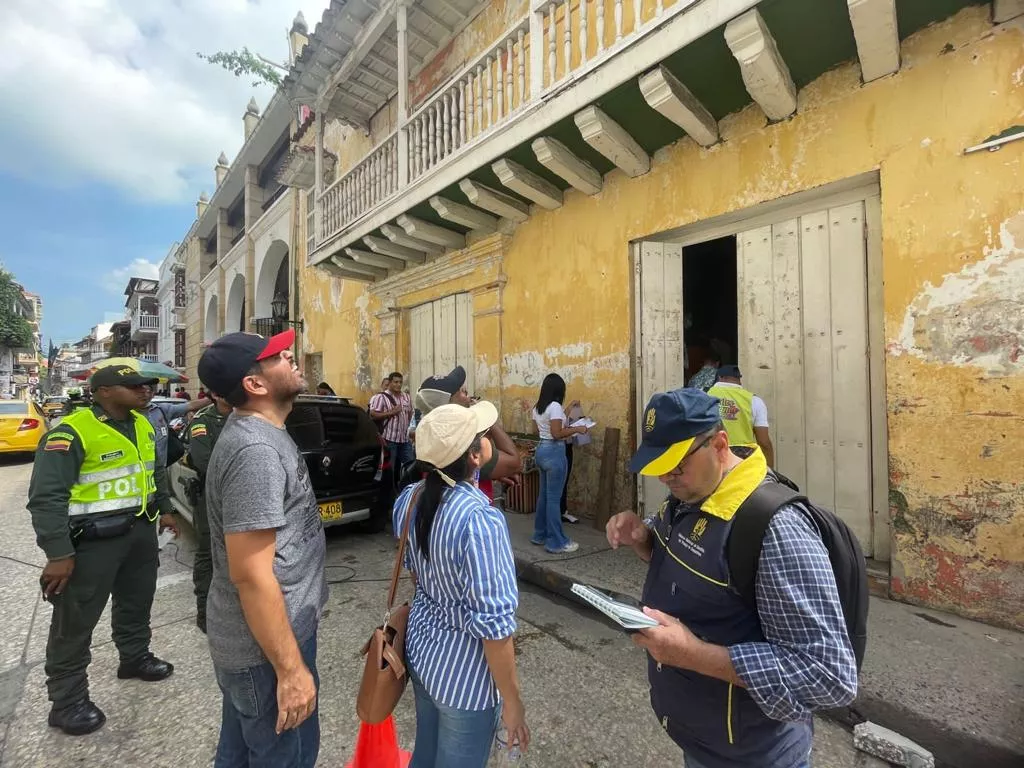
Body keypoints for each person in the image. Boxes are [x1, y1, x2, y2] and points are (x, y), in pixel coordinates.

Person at [605, 388, 857, 768]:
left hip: (753, 756)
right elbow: (697, 565)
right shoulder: (691, 495)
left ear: (720, 444)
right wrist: (644, 538)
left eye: (676, 465)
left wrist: (694, 655)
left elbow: (829, 674)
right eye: (659, 466)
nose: (666, 478)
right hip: (704, 739)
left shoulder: (777, 529)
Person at [27, 362, 178, 736]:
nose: (146, 391)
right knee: (74, 622)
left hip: (139, 533)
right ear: (104, 391)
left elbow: (153, 471)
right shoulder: (72, 432)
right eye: (136, 386)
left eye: (149, 385)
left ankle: (134, 657)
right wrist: (58, 554)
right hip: (91, 543)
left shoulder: (143, 424)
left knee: (136, 602)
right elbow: (47, 498)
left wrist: (167, 509)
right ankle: (67, 700)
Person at [198, 328, 326, 766]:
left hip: (265, 643)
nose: (290, 354)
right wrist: (290, 671)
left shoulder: (265, 432)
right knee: (287, 756)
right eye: (277, 355)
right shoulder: (255, 449)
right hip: (266, 653)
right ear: (254, 384)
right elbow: (251, 575)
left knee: (237, 754)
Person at [394, 402, 528, 768]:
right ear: (474, 456)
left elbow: (416, 572)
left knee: (425, 755)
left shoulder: (410, 500)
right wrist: (512, 702)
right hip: (465, 679)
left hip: (422, 652)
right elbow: (495, 628)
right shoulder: (480, 520)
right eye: (482, 437)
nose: (488, 441)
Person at [414, 365, 522, 500]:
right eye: (463, 392)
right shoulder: (466, 444)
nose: (469, 397)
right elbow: (515, 462)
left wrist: (495, 472)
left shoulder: (431, 438)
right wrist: (486, 417)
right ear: (450, 404)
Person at [183, 390, 232, 634]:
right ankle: (205, 611)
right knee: (209, 553)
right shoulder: (203, 422)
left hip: (242, 497)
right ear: (215, 393)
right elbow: (206, 462)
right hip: (212, 497)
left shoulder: (245, 417)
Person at [530, 373, 588, 554]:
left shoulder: (538, 407)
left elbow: (540, 429)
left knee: (544, 496)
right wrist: (577, 428)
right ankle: (556, 541)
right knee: (554, 499)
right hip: (554, 452)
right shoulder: (555, 406)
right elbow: (557, 433)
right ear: (558, 390)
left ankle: (539, 534)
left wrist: (569, 408)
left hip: (541, 450)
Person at [708, 364, 775, 468]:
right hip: (742, 463)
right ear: (739, 380)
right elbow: (764, 442)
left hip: (712, 460)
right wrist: (770, 470)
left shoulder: (704, 396)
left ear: (720, 378)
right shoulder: (754, 401)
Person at [142, 385, 208, 471]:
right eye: (137, 389)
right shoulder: (126, 415)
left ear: (152, 394)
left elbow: (190, 406)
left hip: (160, 472)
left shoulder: (160, 409)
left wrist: (211, 399)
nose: (142, 394)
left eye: (147, 391)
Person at [370, 371, 414, 469]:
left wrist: (407, 427)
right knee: (390, 468)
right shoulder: (381, 397)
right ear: (389, 382)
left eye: (400, 382)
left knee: (411, 465)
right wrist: (392, 412)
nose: (398, 384)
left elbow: (410, 413)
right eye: (396, 382)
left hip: (404, 439)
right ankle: (390, 484)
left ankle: (407, 484)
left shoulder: (406, 397)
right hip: (389, 440)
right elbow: (373, 415)